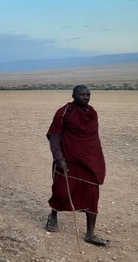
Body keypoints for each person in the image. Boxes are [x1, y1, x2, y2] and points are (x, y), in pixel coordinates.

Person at [45, 84, 110, 247]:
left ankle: (90, 234)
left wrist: (96, 161)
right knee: (61, 191)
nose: (86, 97)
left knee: (92, 194)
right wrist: (59, 158)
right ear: (73, 95)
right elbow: (54, 135)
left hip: (89, 162)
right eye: (82, 95)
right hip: (68, 160)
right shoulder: (64, 112)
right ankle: (53, 215)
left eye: (88, 95)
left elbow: (92, 139)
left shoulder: (92, 113)